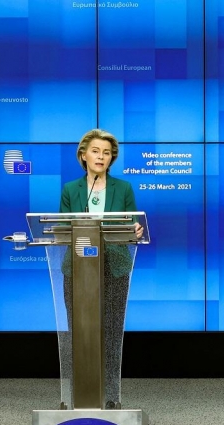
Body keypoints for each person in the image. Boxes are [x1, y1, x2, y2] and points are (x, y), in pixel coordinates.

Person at [59, 129, 143, 409]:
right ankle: (78, 397)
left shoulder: (124, 188)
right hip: (78, 269)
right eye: (96, 151)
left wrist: (136, 229)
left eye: (107, 153)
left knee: (111, 331)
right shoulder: (71, 189)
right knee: (79, 331)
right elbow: (62, 230)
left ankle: (110, 397)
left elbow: (132, 226)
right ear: (83, 155)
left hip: (115, 267)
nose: (101, 156)